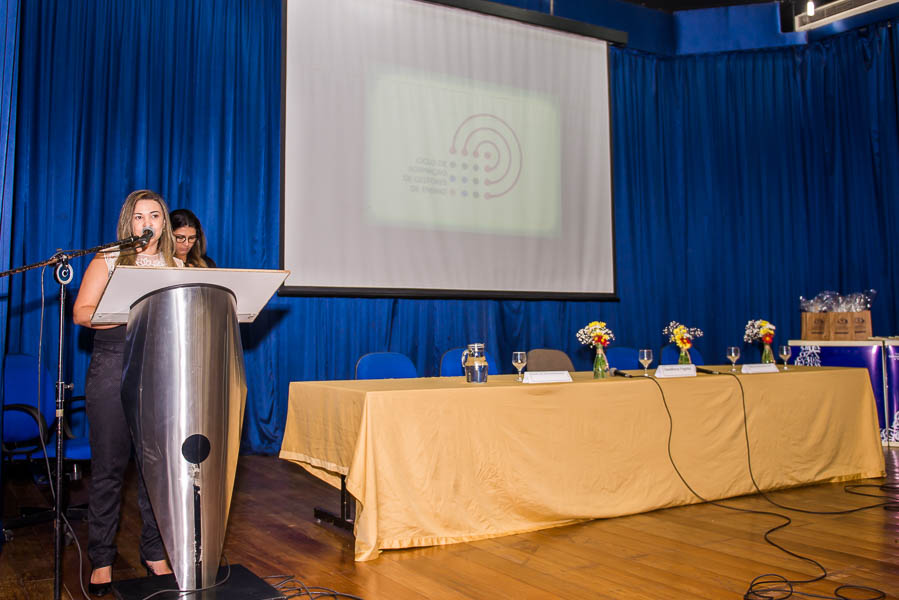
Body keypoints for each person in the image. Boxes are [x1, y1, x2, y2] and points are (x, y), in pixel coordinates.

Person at [73, 189, 183, 596]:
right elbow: (81, 313)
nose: (147, 223)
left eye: (155, 215)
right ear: (129, 223)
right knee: (108, 470)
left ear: (164, 223)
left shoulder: (176, 263)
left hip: (160, 371)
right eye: (140, 217)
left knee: (157, 471)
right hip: (112, 366)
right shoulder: (108, 259)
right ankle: (101, 559)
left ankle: (154, 553)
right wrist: (127, 311)